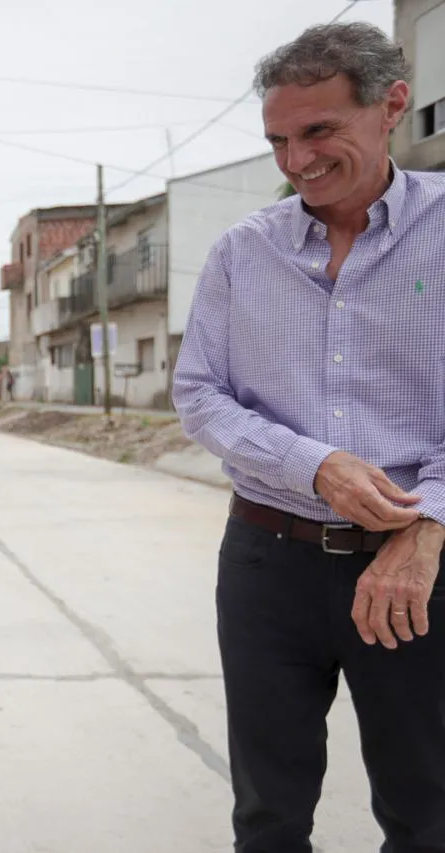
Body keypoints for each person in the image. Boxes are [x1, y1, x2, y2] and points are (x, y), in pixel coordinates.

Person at [173, 22, 445, 852]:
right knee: (267, 814)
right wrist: (314, 464)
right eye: (279, 140)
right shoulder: (240, 254)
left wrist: (426, 526)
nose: (297, 161)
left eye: (319, 131)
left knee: (427, 811)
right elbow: (198, 395)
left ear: (390, 104)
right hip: (266, 566)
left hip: (414, 568)